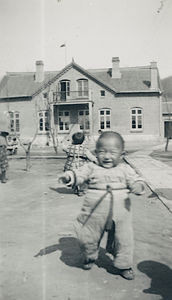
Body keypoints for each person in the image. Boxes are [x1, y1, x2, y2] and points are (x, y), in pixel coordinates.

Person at [59, 131, 145, 280]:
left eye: (112, 152)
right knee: (87, 236)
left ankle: (124, 264)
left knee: (124, 239)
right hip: (93, 211)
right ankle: (90, 256)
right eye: (102, 152)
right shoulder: (91, 167)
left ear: (122, 154)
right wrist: (69, 176)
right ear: (95, 153)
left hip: (121, 212)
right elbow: (79, 174)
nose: (107, 156)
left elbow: (136, 179)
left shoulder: (125, 169)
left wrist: (138, 185)